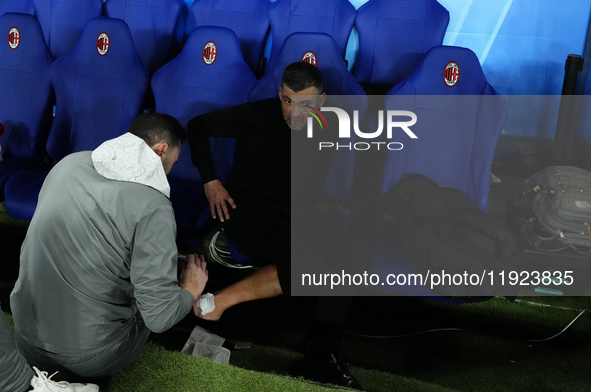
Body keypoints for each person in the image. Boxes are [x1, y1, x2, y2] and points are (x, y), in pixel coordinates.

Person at [187, 62, 363, 389]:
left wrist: (315, 205)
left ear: (321, 101)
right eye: (287, 100)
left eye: (305, 104)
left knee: (347, 254)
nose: (294, 112)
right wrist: (211, 181)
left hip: (295, 213)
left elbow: (291, 177)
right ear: (279, 95)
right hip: (249, 214)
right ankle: (214, 305)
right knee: (308, 262)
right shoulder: (257, 115)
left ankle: (320, 355)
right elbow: (198, 126)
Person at [10, 113, 209, 380]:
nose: (170, 171)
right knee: (156, 301)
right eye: (171, 163)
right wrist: (190, 289)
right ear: (160, 151)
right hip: (88, 359)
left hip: (24, 338)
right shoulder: (154, 206)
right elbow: (160, 318)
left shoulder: (69, 163)